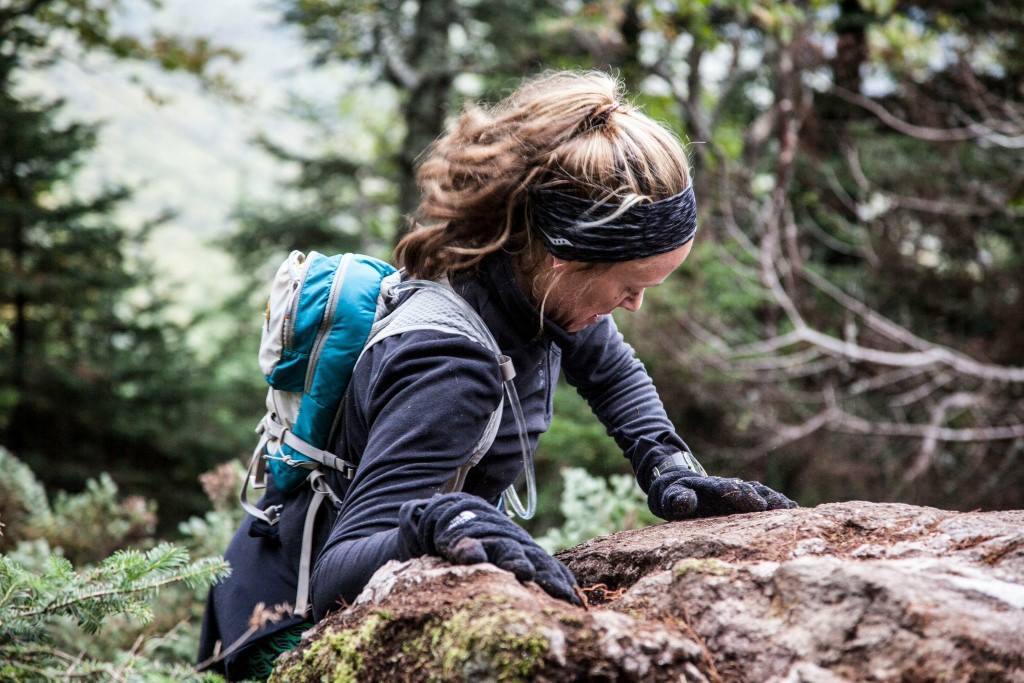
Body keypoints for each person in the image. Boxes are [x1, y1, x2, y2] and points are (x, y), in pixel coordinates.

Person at [197, 70, 796, 680]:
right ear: (566, 258)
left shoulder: (524, 279)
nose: (635, 305)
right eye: (630, 284)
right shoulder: (450, 366)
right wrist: (436, 518)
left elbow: (612, 372)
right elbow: (338, 571)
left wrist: (667, 465)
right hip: (281, 626)